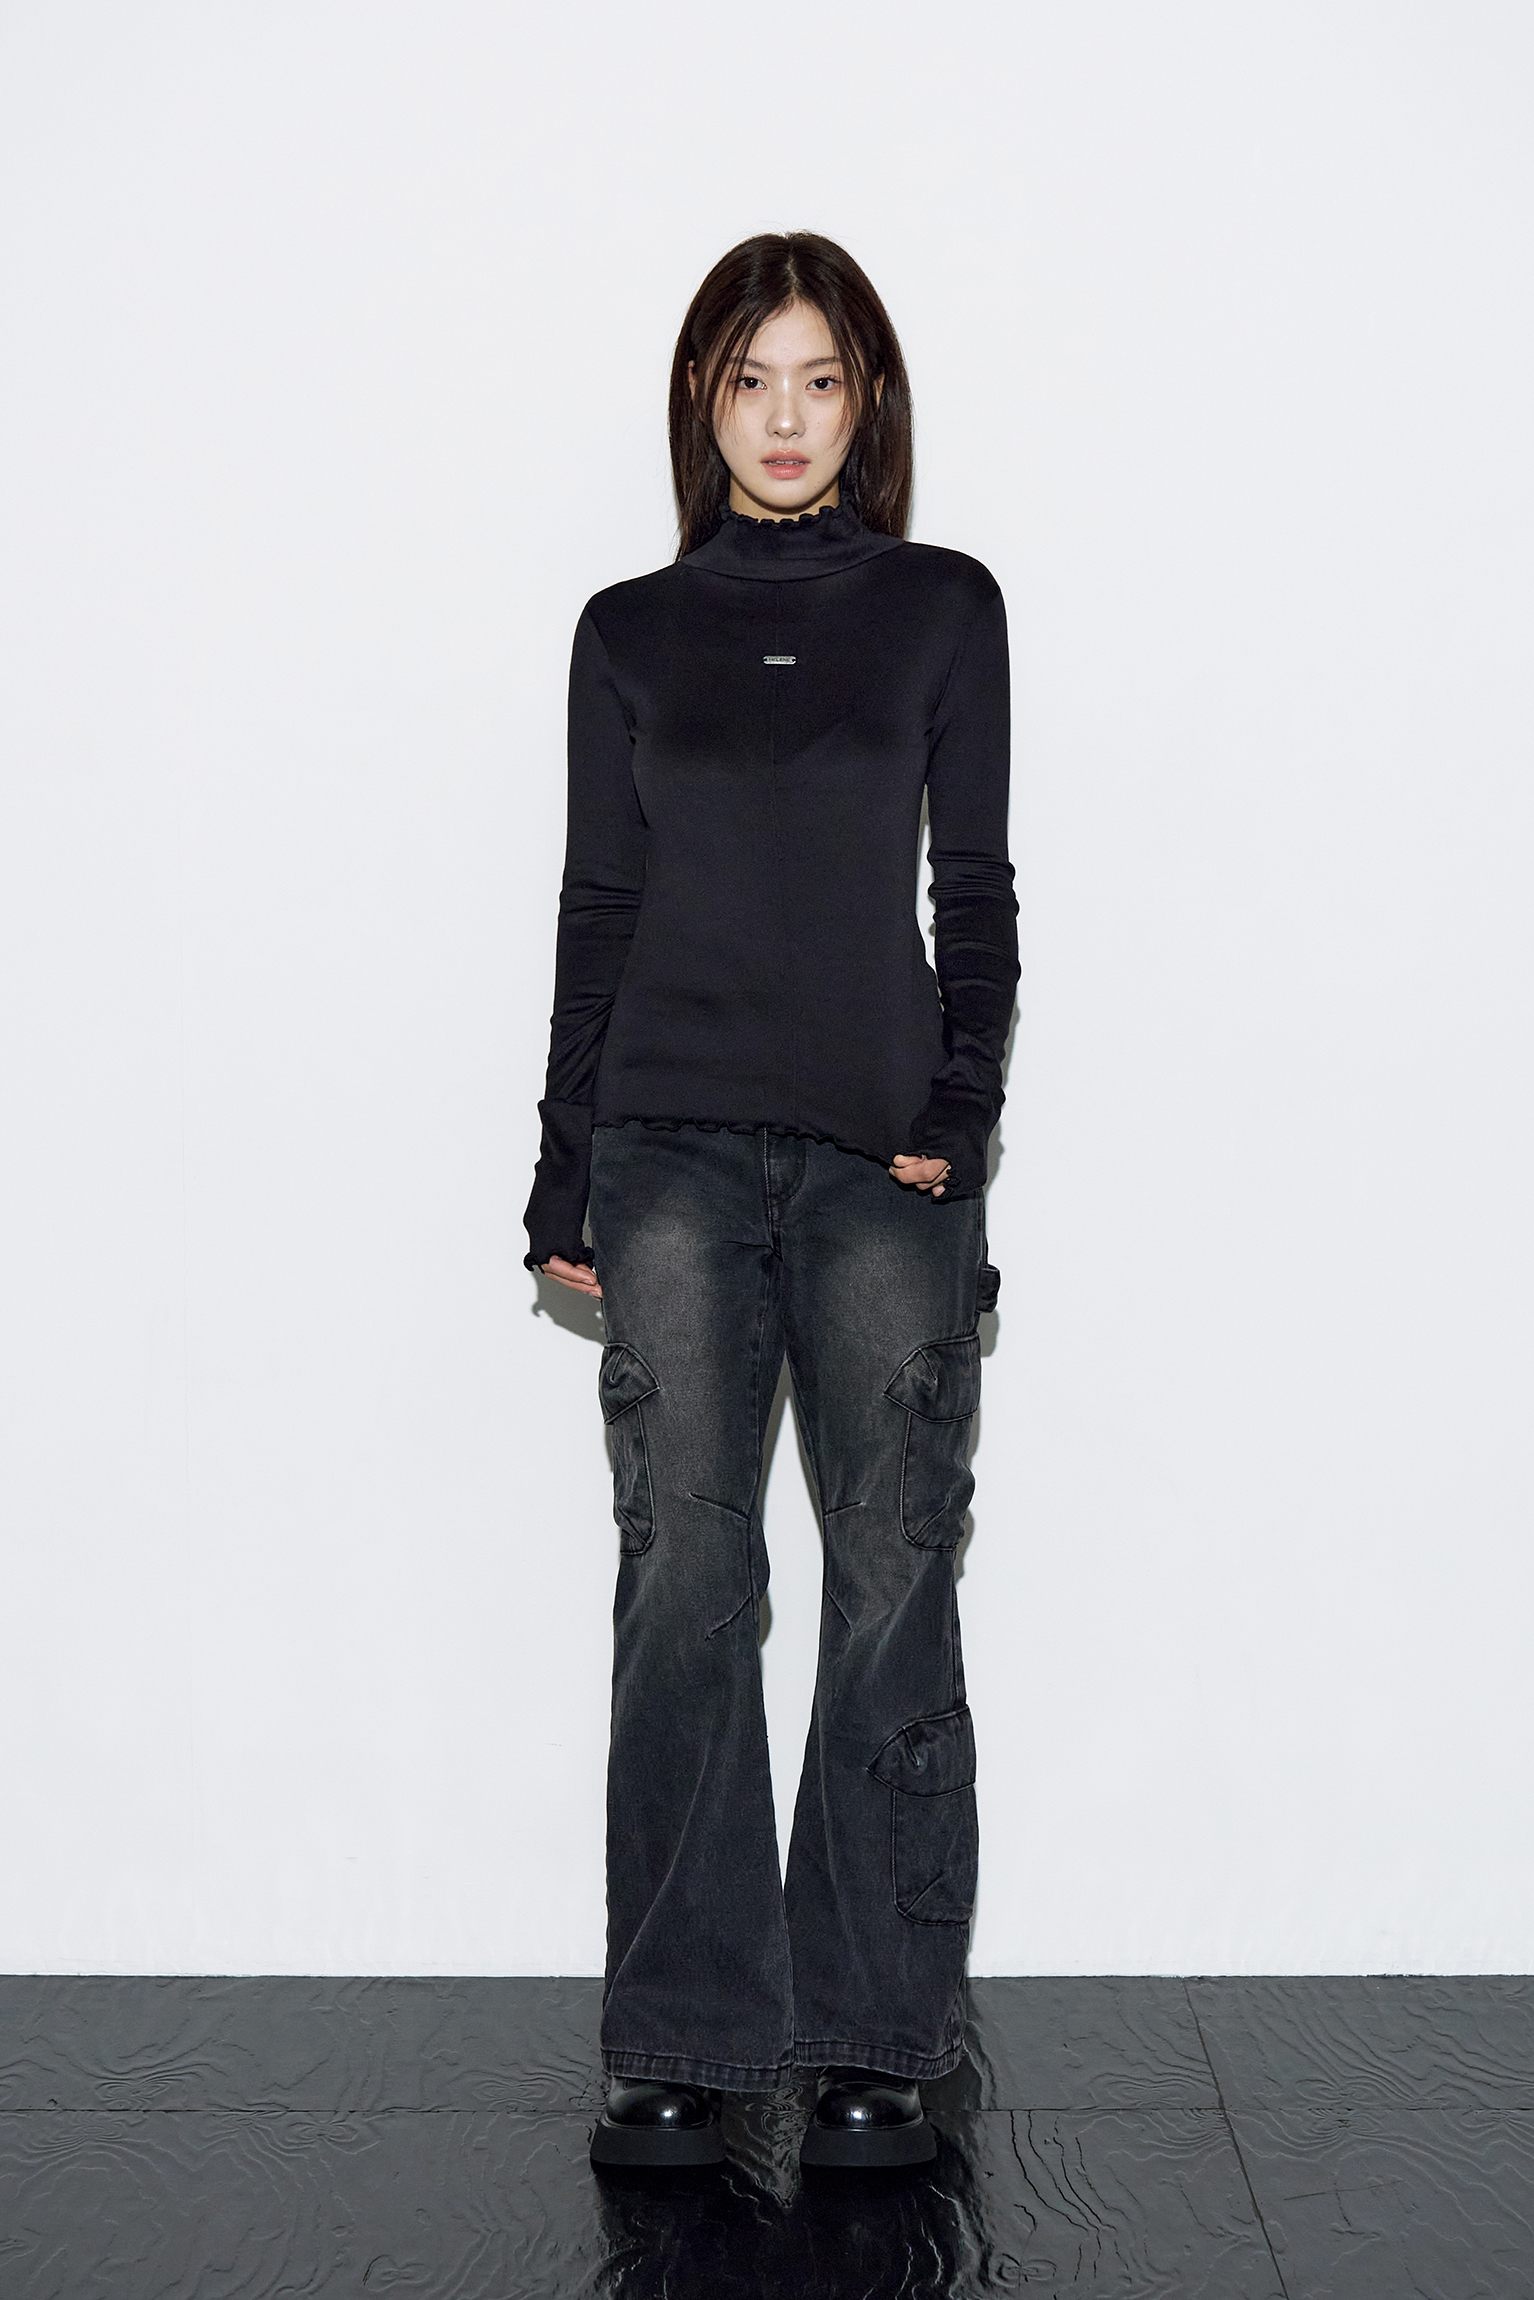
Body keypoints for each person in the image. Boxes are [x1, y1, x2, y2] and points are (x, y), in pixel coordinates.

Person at [524, 232, 1017, 2170]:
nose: (785, 417)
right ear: (701, 401)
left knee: (893, 1574)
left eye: (818, 378)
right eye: (750, 380)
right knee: (686, 1578)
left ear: (864, 398)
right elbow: (599, 905)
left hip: (880, 1157)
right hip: (666, 1148)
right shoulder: (626, 633)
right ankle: (683, 2035)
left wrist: (958, 1107)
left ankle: (878, 2024)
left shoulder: (943, 607)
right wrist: (561, 1158)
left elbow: (971, 888)